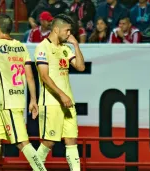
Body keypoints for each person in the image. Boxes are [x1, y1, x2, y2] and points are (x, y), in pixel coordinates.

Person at [0, 14, 47, 171]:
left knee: (22, 142)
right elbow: (30, 76)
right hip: (15, 101)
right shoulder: (21, 46)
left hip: (9, 103)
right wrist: (33, 99)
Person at [34, 14, 85, 171]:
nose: (69, 34)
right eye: (67, 30)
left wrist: (76, 46)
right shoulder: (42, 47)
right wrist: (62, 94)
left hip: (68, 103)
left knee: (71, 140)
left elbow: (81, 67)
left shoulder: (65, 48)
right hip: (51, 102)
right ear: (56, 29)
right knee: (49, 141)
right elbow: (44, 76)